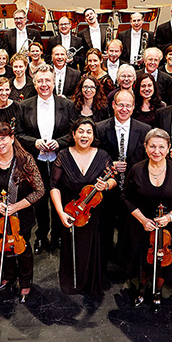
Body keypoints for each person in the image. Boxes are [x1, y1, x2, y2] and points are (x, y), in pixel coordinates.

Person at [121, 128, 172, 307]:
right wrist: (143, 220)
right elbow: (125, 197)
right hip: (141, 226)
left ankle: (158, 291)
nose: (157, 151)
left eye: (161, 147)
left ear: (168, 148)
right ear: (145, 147)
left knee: (163, 262)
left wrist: (169, 217)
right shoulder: (137, 169)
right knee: (142, 259)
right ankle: (142, 287)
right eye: (152, 146)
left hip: (170, 227)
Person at [0, 121, 45, 303]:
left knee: (22, 250)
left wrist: (16, 207)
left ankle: (25, 282)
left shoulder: (25, 160)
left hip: (20, 215)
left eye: (2, 139)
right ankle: (9, 275)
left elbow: (39, 190)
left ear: (12, 138)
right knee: (2, 248)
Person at [16, 64, 78, 254]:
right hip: (36, 162)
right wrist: (34, 143)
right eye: (40, 81)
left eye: (47, 81)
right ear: (34, 84)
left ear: (54, 83)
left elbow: (74, 132)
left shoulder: (67, 105)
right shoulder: (24, 106)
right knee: (40, 202)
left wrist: (58, 142)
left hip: (61, 161)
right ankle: (42, 236)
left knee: (61, 199)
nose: (44, 84)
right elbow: (18, 134)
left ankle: (59, 236)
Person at [50, 118, 115, 296]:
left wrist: (107, 185)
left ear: (93, 136)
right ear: (73, 134)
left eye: (88, 132)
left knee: (94, 246)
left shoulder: (102, 155)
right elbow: (54, 186)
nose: (84, 135)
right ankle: (72, 282)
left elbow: (113, 180)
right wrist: (60, 212)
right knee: (71, 247)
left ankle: (91, 282)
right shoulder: (63, 155)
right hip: (70, 210)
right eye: (80, 131)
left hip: (93, 212)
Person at [95, 90, 151, 268]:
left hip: (133, 187)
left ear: (134, 107)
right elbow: (96, 156)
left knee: (129, 226)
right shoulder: (100, 127)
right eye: (120, 105)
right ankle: (104, 258)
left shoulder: (145, 130)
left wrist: (131, 167)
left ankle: (125, 260)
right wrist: (111, 165)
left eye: (128, 105)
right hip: (107, 187)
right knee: (106, 223)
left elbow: (146, 159)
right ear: (113, 105)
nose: (124, 109)